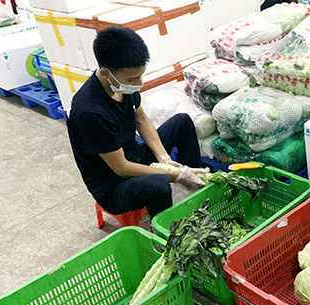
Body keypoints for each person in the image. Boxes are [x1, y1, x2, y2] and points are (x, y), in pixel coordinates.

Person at [67, 27, 209, 218]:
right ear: (106, 72)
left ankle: (200, 185)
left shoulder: (122, 85)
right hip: (114, 183)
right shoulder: (90, 111)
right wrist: (175, 175)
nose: (138, 83)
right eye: (132, 79)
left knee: (182, 122)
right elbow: (121, 168)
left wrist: (164, 158)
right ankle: (166, 229)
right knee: (159, 183)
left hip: (133, 155)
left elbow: (141, 119)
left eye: (140, 76)